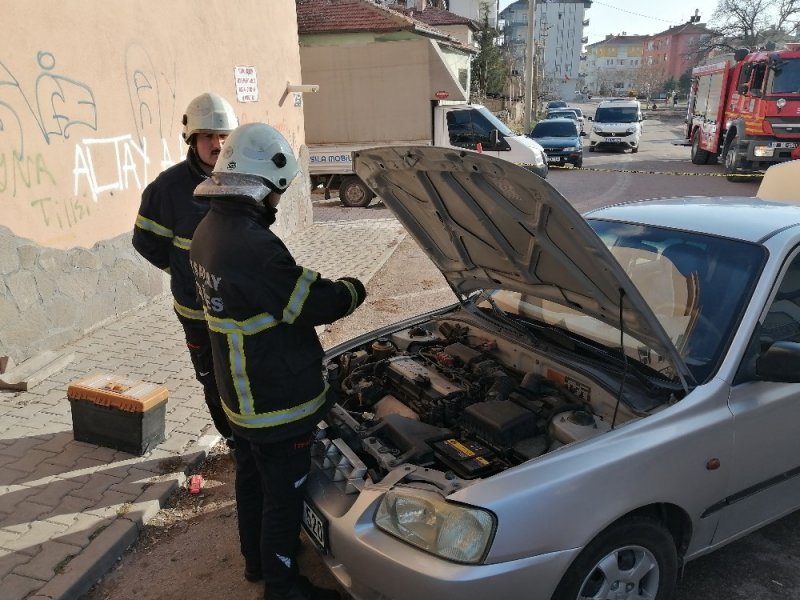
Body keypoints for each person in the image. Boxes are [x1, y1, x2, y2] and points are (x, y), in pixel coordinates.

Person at [190, 122, 366, 600]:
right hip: (274, 400)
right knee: (282, 497)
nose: (277, 201)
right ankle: (282, 587)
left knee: (251, 480)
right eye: (278, 192)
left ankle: (256, 563)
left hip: (239, 393)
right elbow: (307, 302)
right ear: (263, 182)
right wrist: (353, 289)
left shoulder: (209, 228)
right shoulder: (252, 244)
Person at [132, 92, 238, 446]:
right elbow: (146, 241)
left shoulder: (243, 177)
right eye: (208, 135)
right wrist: (181, 270)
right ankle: (233, 441)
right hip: (197, 313)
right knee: (212, 379)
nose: (217, 143)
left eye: (223, 136)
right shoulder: (169, 187)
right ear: (192, 139)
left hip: (241, 309)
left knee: (244, 375)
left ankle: (252, 438)